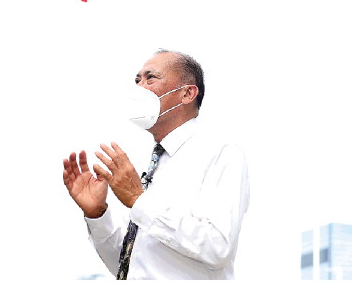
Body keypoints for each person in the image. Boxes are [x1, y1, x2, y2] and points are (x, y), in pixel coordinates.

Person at [62, 49, 250, 280]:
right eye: (137, 80)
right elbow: (127, 267)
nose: (139, 88)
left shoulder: (221, 153)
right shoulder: (147, 162)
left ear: (187, 93)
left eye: (150, 78)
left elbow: (218, 247)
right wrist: (97, 214)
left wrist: (138, 200)